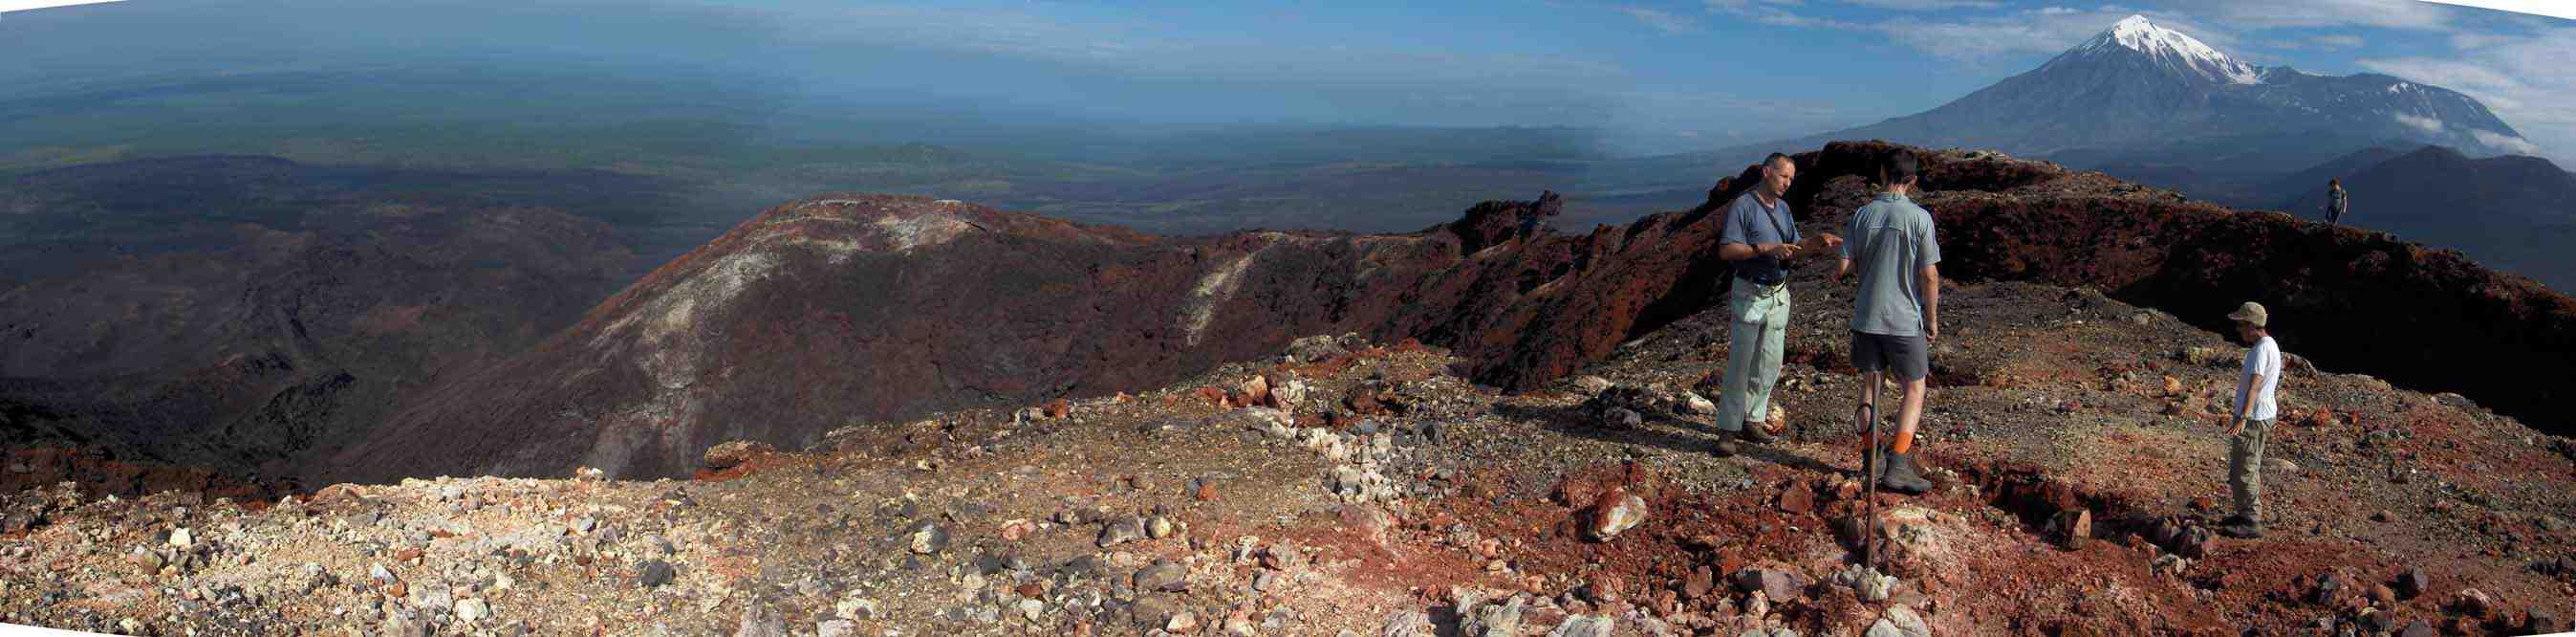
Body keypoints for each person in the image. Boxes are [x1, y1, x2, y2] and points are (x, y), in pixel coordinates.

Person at [1711, 153, 1840, 456]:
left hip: (1778, 294)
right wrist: (1764, 248)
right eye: (1783, 176)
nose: (1787, 183)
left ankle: (1753, 419)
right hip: (1750, 293)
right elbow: (1727, 251)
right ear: (1766, 171)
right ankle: (1727, 429)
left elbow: (1793, 249)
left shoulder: (1783, 209)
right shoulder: (1743, 206)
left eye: (1791, 179)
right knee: (1741, 363)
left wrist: (1815, 244)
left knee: (1770, 362)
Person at [1835, 150, 1940, 494]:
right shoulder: (1920, 218)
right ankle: (1897, 463)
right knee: (1915, 387)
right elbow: (1929, 275)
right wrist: (1931, 319)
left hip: (1866, 318)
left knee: (1870, 387)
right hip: (1903, 320)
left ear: (1882, 173)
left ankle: (1870, 459)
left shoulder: (1862, 215)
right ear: (1912, 180)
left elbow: (1843, 268)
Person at [2219, 301, 2283, 538]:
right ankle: (2244, 513)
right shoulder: (2270, 345)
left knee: (2245, 469)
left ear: (2252, 326)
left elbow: (2254, 387)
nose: (2238, 331)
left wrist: (2242, 418)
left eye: (2241, 325)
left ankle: (2251, 522)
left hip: (2254, 417)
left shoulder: (2260, 350)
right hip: (2260, 415)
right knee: (2245, 466)